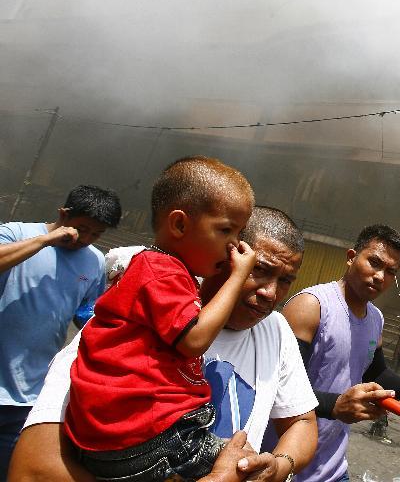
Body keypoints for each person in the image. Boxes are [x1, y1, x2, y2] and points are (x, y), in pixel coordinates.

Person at [9, 205, 318, 482]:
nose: (270, 293)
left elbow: (301, 422)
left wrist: (280, 466)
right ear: (228, 254)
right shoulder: (133, 317)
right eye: (260, 270)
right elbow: (33, 471)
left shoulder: (275, 330)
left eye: (286, 280)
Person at [63, 155, 261, 481]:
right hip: (143, 441)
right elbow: (194, 340)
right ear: (180, 225)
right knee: (247, 465)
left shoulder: (152, 268)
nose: (235, 246)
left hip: (108, 441)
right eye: (226, 230)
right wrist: (238, 277)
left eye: (239, 232)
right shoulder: (161, 271)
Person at [281, 224, 400, 482]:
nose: (380, 276)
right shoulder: (310, 306)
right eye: (374, 262)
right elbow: (282, 388)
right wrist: (336, 406)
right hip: (286, 464)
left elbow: (378, 374)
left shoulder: (375, 319)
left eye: (390, 272)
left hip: (333, 469)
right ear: (351, 257)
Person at [0, 184, 121, 480]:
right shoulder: (16, 233)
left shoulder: (93, 261)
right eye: (83, 229)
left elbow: (87, 314)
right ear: (64, 214)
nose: (88, 239)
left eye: (97, 234)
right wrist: (45, 240)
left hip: (28, 397)